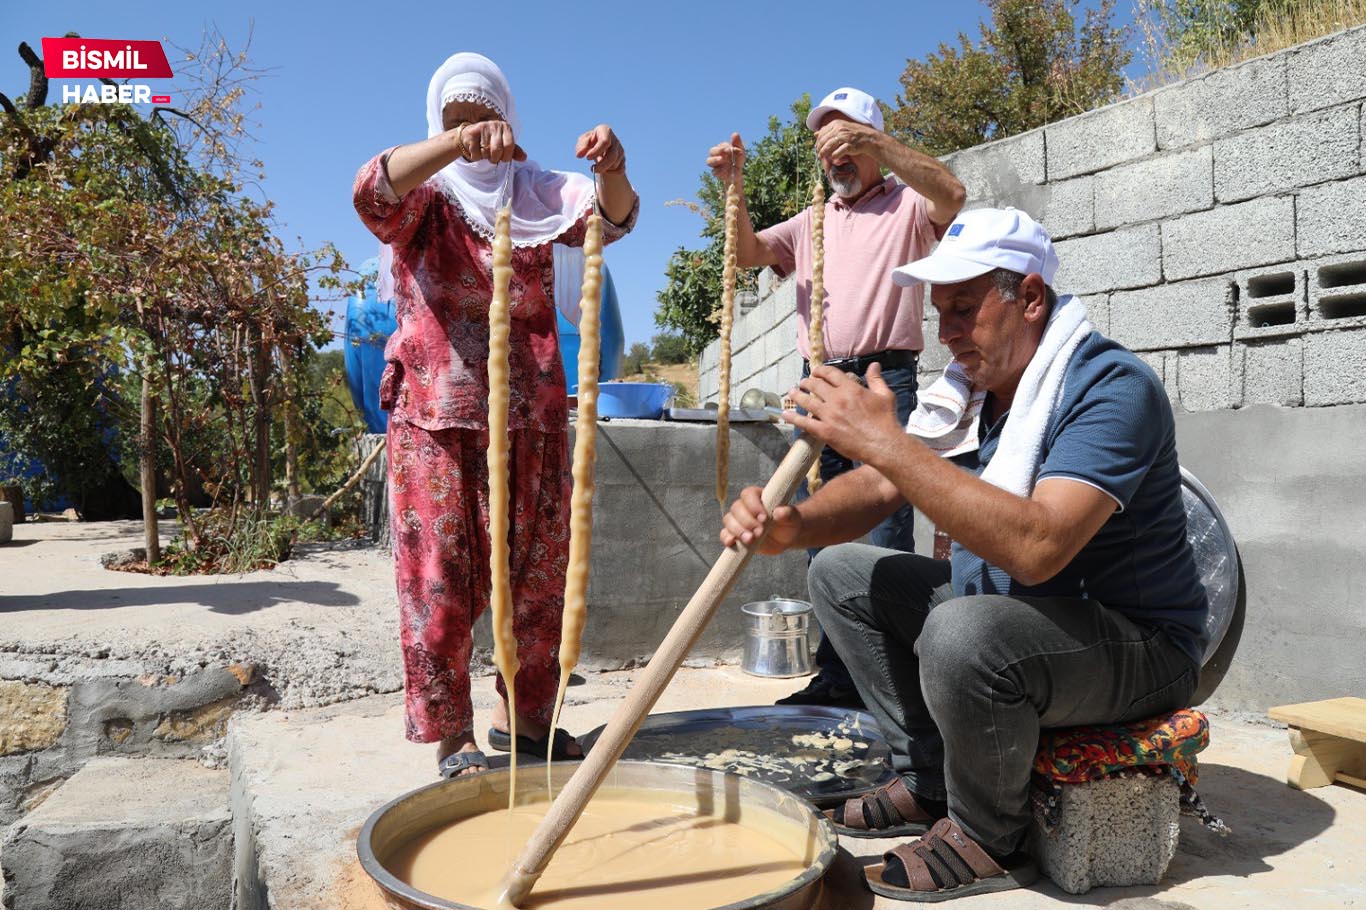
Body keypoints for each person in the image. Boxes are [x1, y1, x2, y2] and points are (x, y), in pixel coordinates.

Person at [720, 208, 1208, 901]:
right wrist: (787, 526)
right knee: (840, 572)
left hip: (1140, 647)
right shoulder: (972, 394)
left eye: (964, 309)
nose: (946, 332)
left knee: (962, 631)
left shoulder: (1111, 388)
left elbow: (1037, 547)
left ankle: (988, 836)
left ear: (1030, 299)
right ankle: (928, 779)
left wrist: (883, 439)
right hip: (1028, 620)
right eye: (939, 313)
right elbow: (885, 481)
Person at [352, 52, 638, 778]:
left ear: (508, 119)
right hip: (435, 420)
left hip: (531, 417)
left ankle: (531, 723)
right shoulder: (425, 197)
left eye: (484, 117)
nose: (474, 131)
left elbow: (614, 216)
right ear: (436, 124)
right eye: (456, 118)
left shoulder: (536, 192)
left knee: (538, 580)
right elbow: (370, 192)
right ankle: (455, 740)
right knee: (441, 583)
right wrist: (452, 145)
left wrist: (612, 164)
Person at [706, 87, 965, 709]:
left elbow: (952, 196)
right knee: (824, 530)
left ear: (874, 144)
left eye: (850, 141)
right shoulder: (814, 219)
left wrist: (877, 142)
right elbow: (746, 253)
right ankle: (838, 679)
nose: (837, 156)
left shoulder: (907, 206)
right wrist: (734, 186)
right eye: (829, 144)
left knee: (879, 532)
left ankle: (890, 687)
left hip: (883, 382)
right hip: (818, 382)